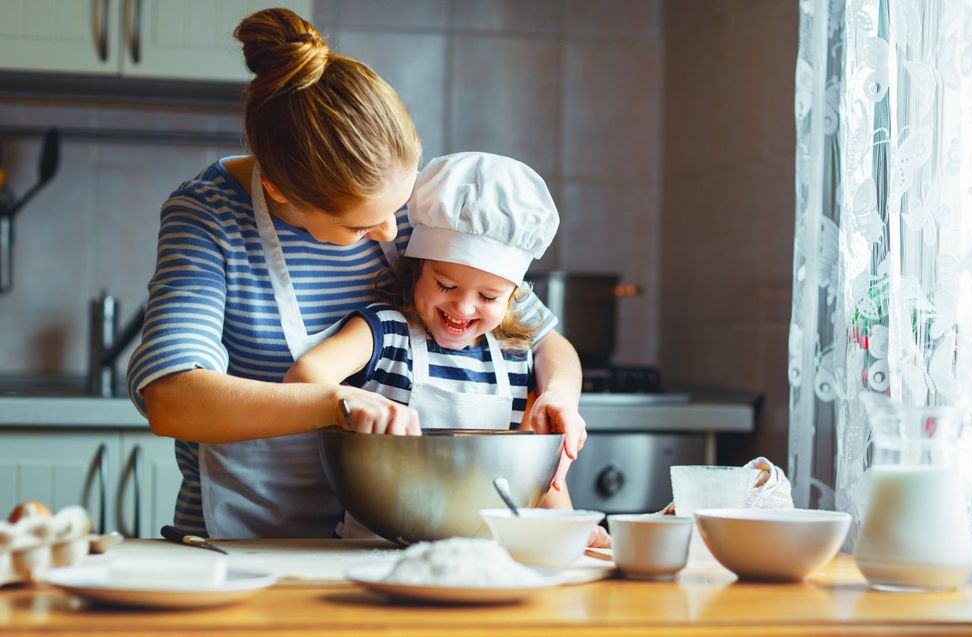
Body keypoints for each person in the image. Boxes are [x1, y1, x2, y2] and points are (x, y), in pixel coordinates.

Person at [126, 8, 586, 540]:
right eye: (361, 225)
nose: (393, 232)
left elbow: (542, 338)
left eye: (399, 206)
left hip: (390, 542)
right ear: (280, 190)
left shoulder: (422, 207)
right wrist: (334, 401)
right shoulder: (209, 217)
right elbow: (172, 398)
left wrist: (558, 396)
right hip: (250, 543)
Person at [284, 152, 610, 547]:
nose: (463, 307)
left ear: (514, 298)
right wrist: (349, 403)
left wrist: (569, 530)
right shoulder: (386, 332)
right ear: (416, 269)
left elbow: (539, 477)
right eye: (445, 285)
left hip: (488, 558)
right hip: (375, 547)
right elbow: (304, 376)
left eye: (489, 295)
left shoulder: (514, 356)